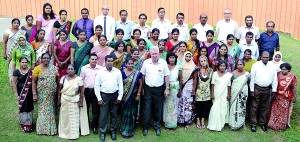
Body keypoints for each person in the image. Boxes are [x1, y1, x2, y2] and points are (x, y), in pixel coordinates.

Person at [140, 47, 170, 136]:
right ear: (150, 54)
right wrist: (142, 88)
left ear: (158, 54)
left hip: (159, 89)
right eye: (152, 54)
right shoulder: (146, 62)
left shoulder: (163, 63)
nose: (154, 55)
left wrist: (167, 88)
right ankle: (145, 127)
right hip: (148, 89)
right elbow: (143, 76)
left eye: (156, 54)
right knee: (147, 109)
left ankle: (157, 127)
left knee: (158, 109)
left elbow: (166, 76)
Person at [94, 55, 123, 141]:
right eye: (108, 61)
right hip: (104, 96)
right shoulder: (100, 72)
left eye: (112, 61)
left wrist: (119, 97)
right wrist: (99, 98)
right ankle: (103, 132)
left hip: (114, 95)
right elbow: (97, 86)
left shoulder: (117, 71)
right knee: (104, 115)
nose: (110, 62)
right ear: (105, 62)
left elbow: (120, 84)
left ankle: (113, 131)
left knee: (114, 115)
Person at [58, 64, 89, 139]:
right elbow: (59, 90)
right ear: (66, 70)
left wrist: (81, 102)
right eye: (69, 69)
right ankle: (64, 133)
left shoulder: (79, 79)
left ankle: (74, 134)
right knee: (64, 117)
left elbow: (81, 92)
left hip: (74, 100)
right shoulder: (63, 79)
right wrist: (59, 100)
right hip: (64, 99)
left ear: (75, 70)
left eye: (72, 69)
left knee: (74, 117)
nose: (70, 70)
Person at [249, 51, 278, 132]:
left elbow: (274, 79)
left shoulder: (272, 66)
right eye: (264, 57)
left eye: (267, 57)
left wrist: (274, 90)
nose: (265, 59)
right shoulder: (256, 65)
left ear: (269, 58)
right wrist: (251, 90)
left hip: (267, 89)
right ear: (260, 57)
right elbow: (252, 78)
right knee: (254, 106)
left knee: (265, 107)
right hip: (257, 88)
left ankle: (262, 123)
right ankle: (253, 124)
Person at [32, 52, 59, 135]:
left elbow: (57, 80)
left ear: (50, 59)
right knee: (42, 111)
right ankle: (41, 130)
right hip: (42, 94)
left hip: (51, 94)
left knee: (50, 111)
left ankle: (51, 130)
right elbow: (33, 82)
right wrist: (34, 94)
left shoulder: (54, 68)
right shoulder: (37, 68)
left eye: (48, 58)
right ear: (41, 59)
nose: (46, 59)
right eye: (44, 58)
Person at [268, 63, 297, 131]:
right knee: (274, 111)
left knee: (283, 112)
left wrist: (294, 96)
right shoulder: (277, 74)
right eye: (282, 69)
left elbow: (294, 88)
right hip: (276, 96)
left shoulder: (292, 77)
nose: (282, 71)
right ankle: (272, 124)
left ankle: (280, 126)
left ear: (288, 70)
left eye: (284, 69)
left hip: (286, 97)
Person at [120, 58, 142, 138]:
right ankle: (123, 129)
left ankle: (130, 130)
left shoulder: (137, 73)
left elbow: (140, 85)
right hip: (124, 97)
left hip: (133, 96)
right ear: (126, 64)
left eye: (132, 64)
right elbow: (120, 85)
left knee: (132, 113)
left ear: (134, 64)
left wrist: (138, 94)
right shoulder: (122, 72)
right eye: (129, 64)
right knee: (124, 113)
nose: (130, 65)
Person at [80, 53, 102, 134]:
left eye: (95, 59)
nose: (94, 60)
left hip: (96, 91)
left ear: (97, 60)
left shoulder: (100, 69)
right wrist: (81, 93)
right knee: (85, 109)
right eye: (92, 59)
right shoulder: (84, 68)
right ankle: (85, 125)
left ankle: (94, 126)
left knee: (95, 110)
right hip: (86, 91)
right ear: (89, 60)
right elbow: (81, 80)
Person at [207, 60, 232, 131]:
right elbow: (212, 84)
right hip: (216, 93)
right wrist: (212, 94)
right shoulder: (215, 73)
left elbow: (229, 85)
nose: (222, 67)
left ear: (226, 67)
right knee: (215, 108)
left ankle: (221, 124)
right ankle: (213, 124)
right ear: (218, 66)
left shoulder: (228, 75)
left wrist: (229, 94)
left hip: (224, 93)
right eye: (221, 66)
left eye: (224, 66)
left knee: (223, 109)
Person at [12, 57, 34, 132]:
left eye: (25, 62)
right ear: (19, 63)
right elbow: (14, 83)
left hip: (30, 94)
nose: (24, 64)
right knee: (23, 108)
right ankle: (23, 124)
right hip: (22, 94)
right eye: (22, 62)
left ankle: (29, 124)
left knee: (29, 107)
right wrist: (16, 94)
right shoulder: (16, 71)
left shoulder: (31, 71)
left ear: (27, 63)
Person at [228, 60, 251, 130]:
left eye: (241, 64)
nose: (239, 66)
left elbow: (249, 83)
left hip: (243, 93)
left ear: (244, 65)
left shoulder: (247, 74)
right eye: (238, 64)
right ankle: (232, 123)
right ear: (236, 65)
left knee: (242, 108)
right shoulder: (232, 74)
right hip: (234, 93)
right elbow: (230, 84)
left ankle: (242, 123)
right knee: (234, 107)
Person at [177, 51, 198, 128]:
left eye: (189, 56)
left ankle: (188, 120)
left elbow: (195, 79)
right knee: (181, 102)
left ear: (191, 57)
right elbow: (179, 78)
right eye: (186, 56)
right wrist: (179, 88)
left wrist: (193, 90)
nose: (188, 58)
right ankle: (180, 120)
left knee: (188, 103)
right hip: (181, 86)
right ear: (184, 57)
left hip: (189, 85)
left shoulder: (194, 67)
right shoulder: (180, 66)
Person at [2, 18, 26, 84]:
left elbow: (23, 42)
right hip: (10, 52)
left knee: (18, 65)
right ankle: (12, 81)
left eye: (17, 23)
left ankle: (19, 80)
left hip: (19, 52)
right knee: (11, 65)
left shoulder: (21, 32)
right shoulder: (8, 31)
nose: (16, 24)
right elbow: (4, 42)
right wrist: (4, 53)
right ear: (12, 23)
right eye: (14, 23)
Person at [163, 52, 182, 129]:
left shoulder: (179, 67)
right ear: (167, 58)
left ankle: (173, 124)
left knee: (174, 106)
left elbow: (181, 79)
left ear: (175, 59)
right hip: (166, 88)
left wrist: (180, 90)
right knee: (166, 105)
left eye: (173, 58)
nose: (171, 59)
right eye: (170, 57)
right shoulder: (165, 67)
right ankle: (166, 122)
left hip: (175, 89)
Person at [195, 55, 213, 129]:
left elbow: (212, 82)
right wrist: (193, 91)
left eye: (204, 60)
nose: (203, 62)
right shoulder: (197, 70)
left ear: (207, 61)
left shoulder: (211, 70)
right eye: (201, 61)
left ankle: (202, 120)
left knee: (205, 107)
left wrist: (212, 92)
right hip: (199, 91)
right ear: (199, 62)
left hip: (207, 92)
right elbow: (195, 81)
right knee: (198, 106)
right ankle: (198, 120)